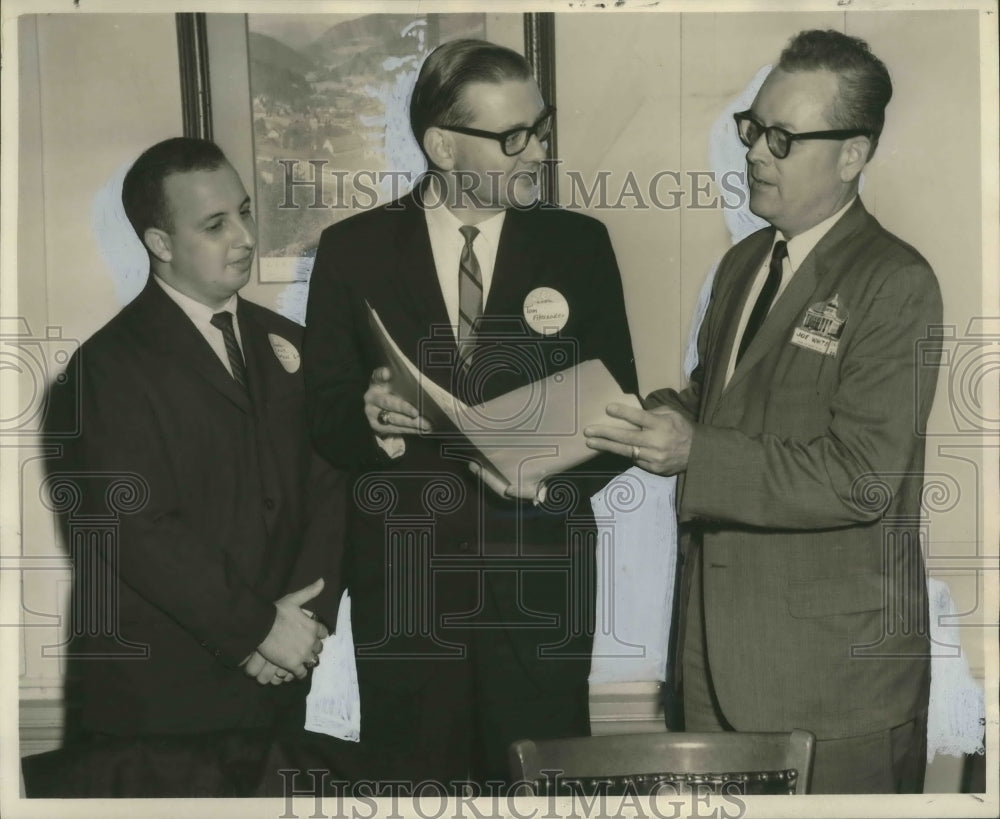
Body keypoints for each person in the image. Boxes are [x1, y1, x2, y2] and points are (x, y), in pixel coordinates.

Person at [585, 29, 941, 793]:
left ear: (852, 154)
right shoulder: (746, 261)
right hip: (711, 671)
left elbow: (861, 477)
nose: (756, 153)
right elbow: (714, 401)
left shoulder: (896, 282)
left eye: (783, 137)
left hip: (832, 688)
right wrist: (619, 413)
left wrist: (695, 452)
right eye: (753, 129)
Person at [303, 38, 637, 787]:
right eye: (513, 138)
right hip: (407, 590)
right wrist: (370, 420)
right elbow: (321, 416)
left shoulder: (579, 246)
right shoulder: (351, 251)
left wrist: (549, 482)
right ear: (442, 145)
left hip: (540, 588)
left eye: (540, 129)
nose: (538, 153)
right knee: (418, 787)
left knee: (542, 789)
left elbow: (618, 421)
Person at [29, 137, 346, 797]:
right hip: (158, 715)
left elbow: (331, 486)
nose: (244, 236)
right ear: (160, 243)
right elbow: (139, 532)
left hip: (278, 692)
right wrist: (260, 630)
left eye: (244, 212)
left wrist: (301, 625)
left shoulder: (292, 344)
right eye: (215, 224)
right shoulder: (104, 371)